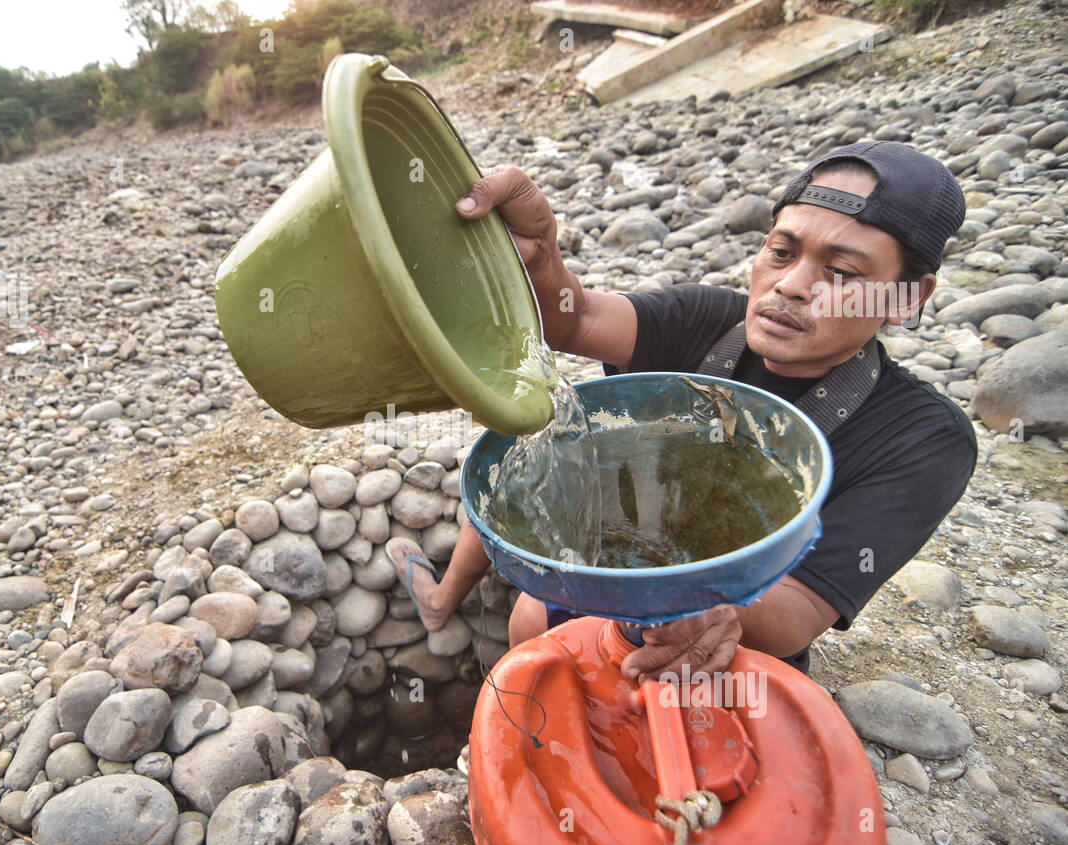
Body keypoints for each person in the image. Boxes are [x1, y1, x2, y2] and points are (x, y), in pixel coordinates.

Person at [386, 141, 977, 683]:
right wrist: (538, 254)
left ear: (905, 298)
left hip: (723, 648)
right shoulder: (708, 320)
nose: (791, 286)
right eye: (780, 251)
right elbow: (577, 318)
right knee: (530, 474)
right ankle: (447, 608)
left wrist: (706, 608)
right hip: (610, 555)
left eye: (842, 272)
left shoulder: (923, 436)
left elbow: (801, 605)